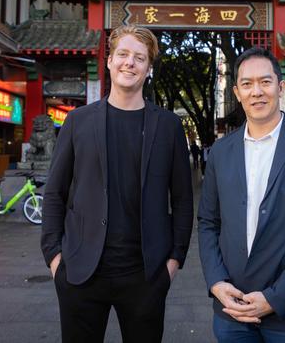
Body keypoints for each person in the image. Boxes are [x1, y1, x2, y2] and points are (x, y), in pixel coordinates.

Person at [41, 24, 194, 342]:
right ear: (109, 61)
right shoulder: (78, 121)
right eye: (122, 54)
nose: (130, 63)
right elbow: (55, 191)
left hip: (146, 274)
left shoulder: (168, 126)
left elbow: (182, 198)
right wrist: (54, 258)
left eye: (139, 58)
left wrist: (174, 260)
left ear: (148, 68)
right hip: (81, 271)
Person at [198, 47, 285, 342]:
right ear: (237, 92)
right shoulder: (221, 153)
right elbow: (208, 222)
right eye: (247, 84)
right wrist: (215, 281)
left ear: (281, 87)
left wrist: (275, 298)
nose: (256, 92)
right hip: (231, 308)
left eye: (265, 82)